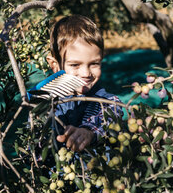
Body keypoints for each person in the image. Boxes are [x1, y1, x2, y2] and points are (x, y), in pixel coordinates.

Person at [46, 15, 123, 152]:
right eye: (75, 65)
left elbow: (107, 119)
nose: (86, 73)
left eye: (94, 64)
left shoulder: (107, 101)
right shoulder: (47, 103)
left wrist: (88, 132)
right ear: (54, 65)